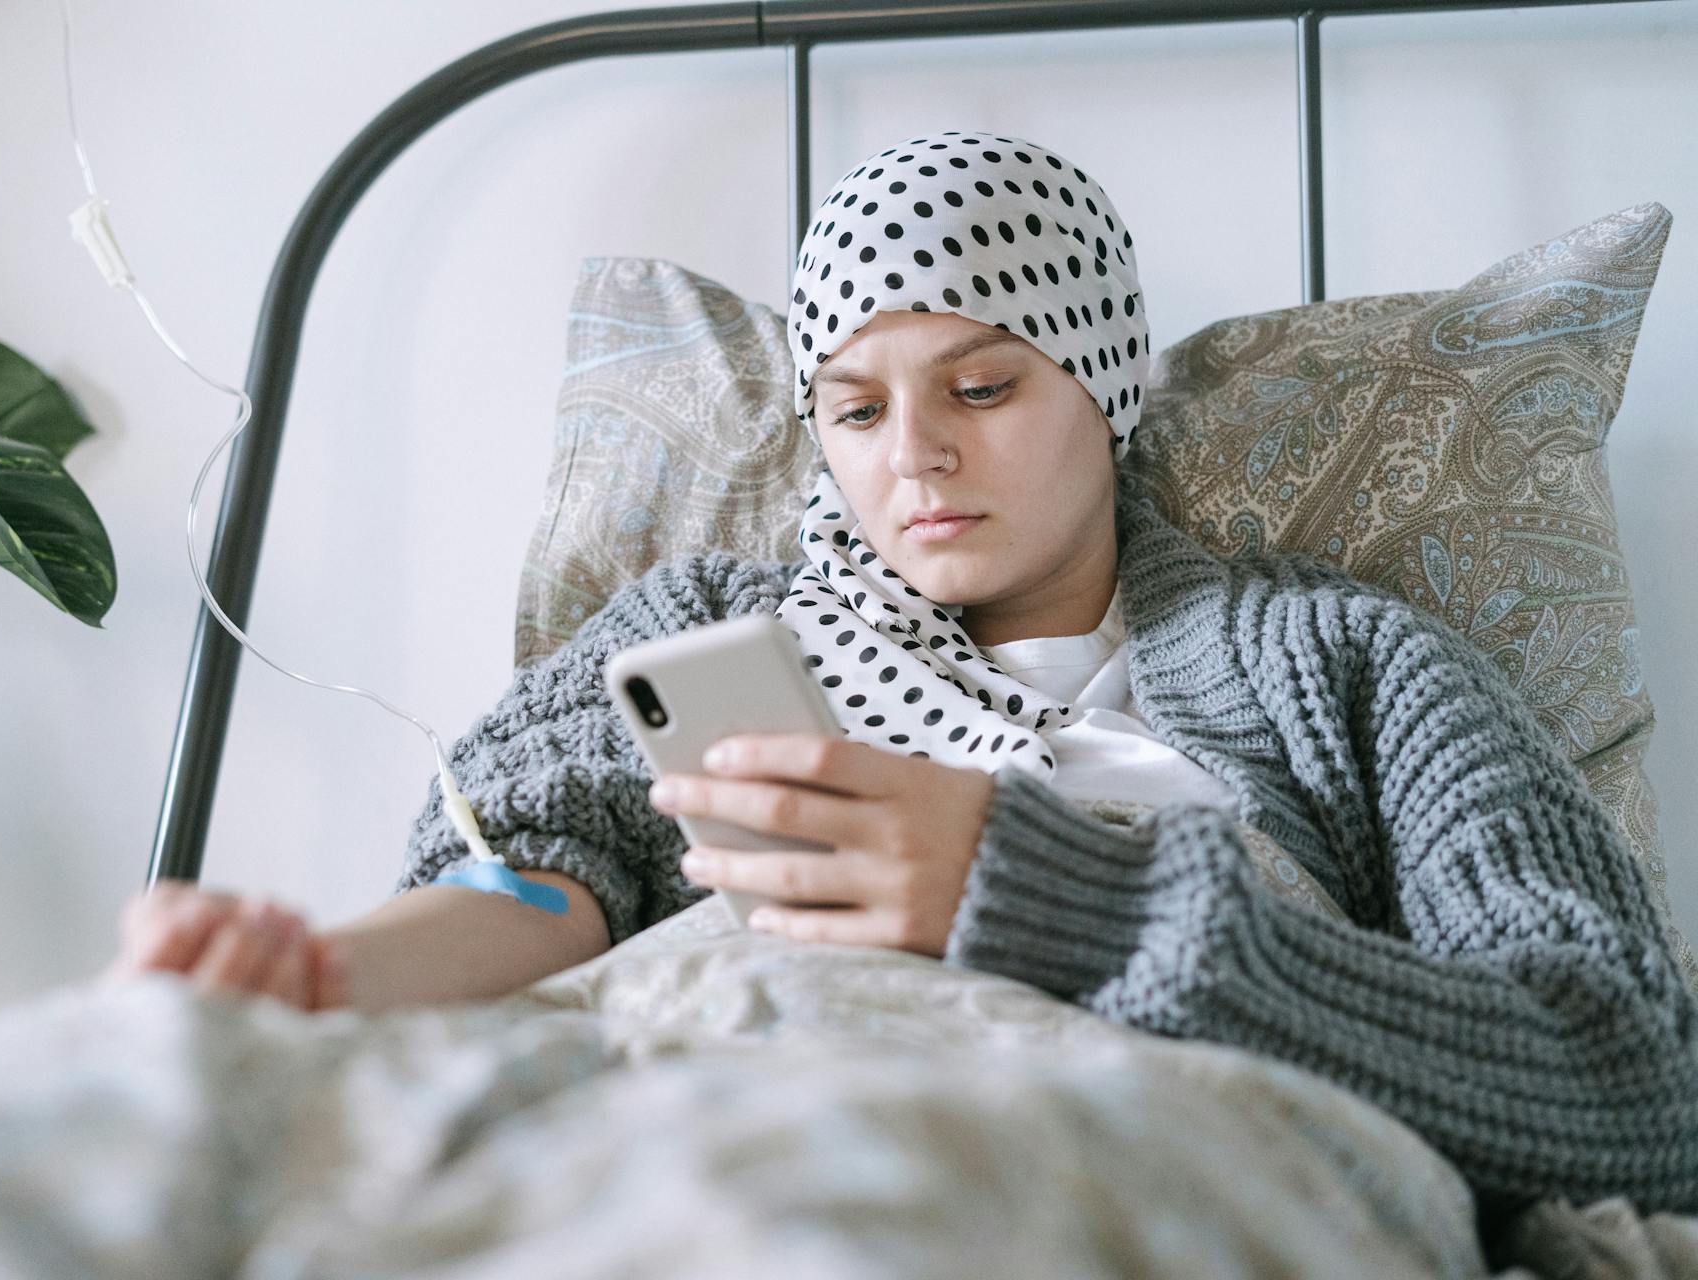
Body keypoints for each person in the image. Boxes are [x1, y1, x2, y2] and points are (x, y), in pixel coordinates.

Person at [108, 131, 1698, 1221]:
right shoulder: (710, 631)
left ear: (1106, 382)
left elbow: (1630, 1079)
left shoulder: (1344, 663)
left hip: (1097, 1145)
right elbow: (536, 885)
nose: (917, 454)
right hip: (663, 1105)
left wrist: (1033, 889)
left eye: (983, 383)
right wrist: (322, 981)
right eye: (854, 411)